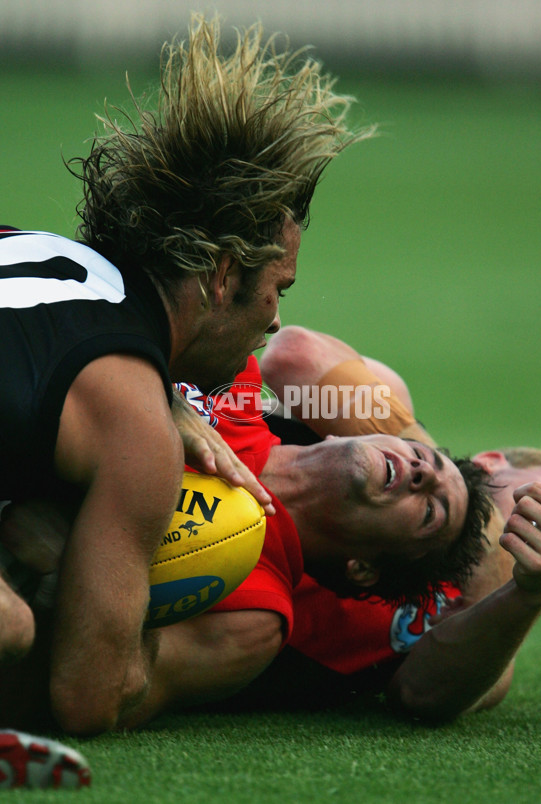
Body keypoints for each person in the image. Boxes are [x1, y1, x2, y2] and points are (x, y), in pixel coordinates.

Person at [0, 14, 369, 740]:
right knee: (8, 629)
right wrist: (79, 571)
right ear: (223, 275)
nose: (272, 322)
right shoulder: (136, 424)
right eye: (279, 290)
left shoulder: (44, 252)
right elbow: (89, 698)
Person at [0, 355, 493, 731]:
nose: (423, 472)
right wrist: (161, 407)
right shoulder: (235, 376)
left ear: (362, 567)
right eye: (423, 456)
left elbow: (102, 694)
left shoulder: (254, 622)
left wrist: (78, 566)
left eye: (432, 511)